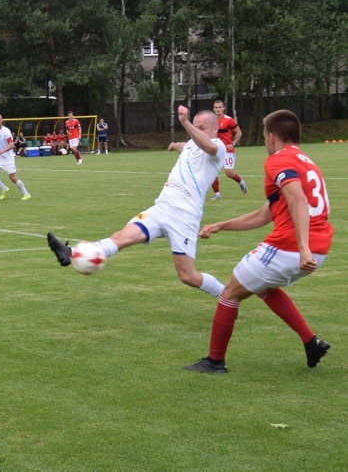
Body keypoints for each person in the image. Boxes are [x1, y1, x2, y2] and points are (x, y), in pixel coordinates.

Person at [185, 110, 333, 373]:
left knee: (230, 292)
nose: (265, 141)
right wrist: (222, 225)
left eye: (265, 136)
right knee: (262, 286)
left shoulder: (278, 160)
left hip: (293, 247)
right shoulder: (306, 161)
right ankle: (311, 342)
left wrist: (302, 247)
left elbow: (298, 199)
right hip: (319, 248)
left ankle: (214, 361)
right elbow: (266, 214)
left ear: (273, 137)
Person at [47, 105, 227, 298]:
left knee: (187, 275)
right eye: (196, 126)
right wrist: (176, 145)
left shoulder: (218, 147)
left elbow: (207, 146)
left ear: (215, 129)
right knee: (121, 237)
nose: (197, 131)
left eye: (202, 128)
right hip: (162, 208)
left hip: (184, 216)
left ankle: (227, 295)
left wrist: (185, 122)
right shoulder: (192, 144)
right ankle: (70, 252)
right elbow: (188, 147)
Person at [0, 113, 31, 201]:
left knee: (13, 177)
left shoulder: (6, 131)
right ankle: (4, 188)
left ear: (2, 121)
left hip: (8, 157)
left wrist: (2, 151)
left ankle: (26, 194)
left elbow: (12, 144)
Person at [210, 99, 247, 200]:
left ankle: (241, 181)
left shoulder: (229, 120)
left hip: (228, 150)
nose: (218, 109)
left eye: (220, 107)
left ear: (223, 108)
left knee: (229, 173)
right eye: (216, 107)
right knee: (212, 172)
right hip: (216, 150)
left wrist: (233, 143)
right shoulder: (211, 121)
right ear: (213, 109)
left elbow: (239, 132)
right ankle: (217, 194)